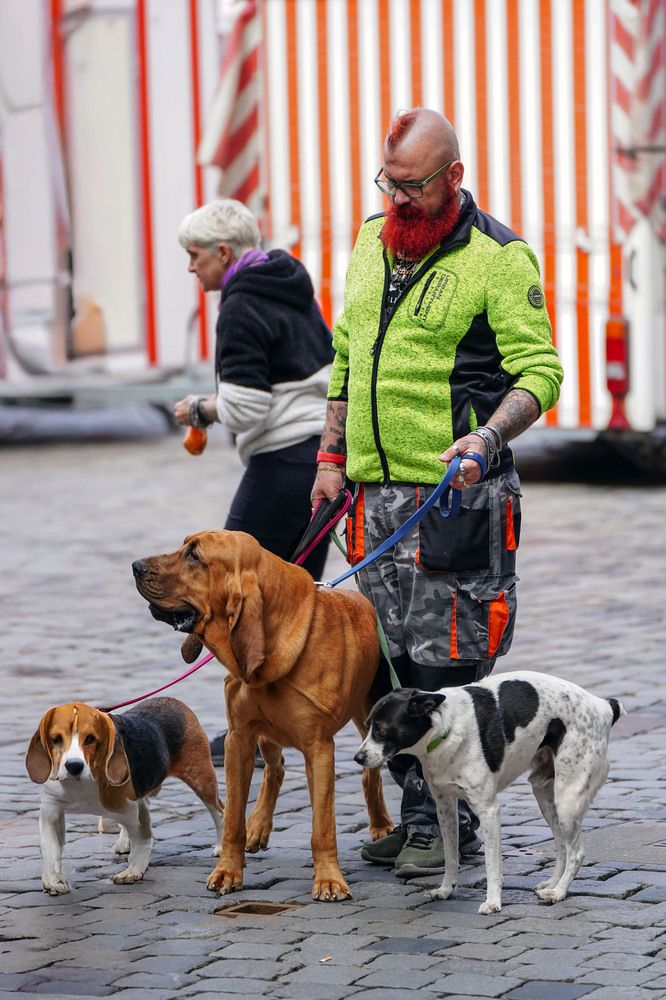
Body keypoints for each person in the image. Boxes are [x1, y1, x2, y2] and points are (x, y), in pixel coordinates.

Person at [311, 108, 563, 878]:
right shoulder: (367, 239)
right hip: (373, 498)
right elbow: (348, 355)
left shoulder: (499, 256)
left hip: (456, 500)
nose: (397, 199)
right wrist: (330, 454)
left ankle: (444, 826)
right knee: (387, 667)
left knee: (448, 669)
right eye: (387, 182)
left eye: (412, 185)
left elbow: (541, 373)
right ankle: (420, 814)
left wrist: (487, 439)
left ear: (454, 176)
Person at [176, 198, 334, 764]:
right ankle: (290, 716)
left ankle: (252, 725)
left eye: (194, 256)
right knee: (294, 599)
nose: (190, 267)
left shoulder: (240, 305)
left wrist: (200, 408)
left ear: (223, 252)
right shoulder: (287, 281)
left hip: (281, 462)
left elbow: (245, 406)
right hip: (318, 457)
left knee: (223, 590)